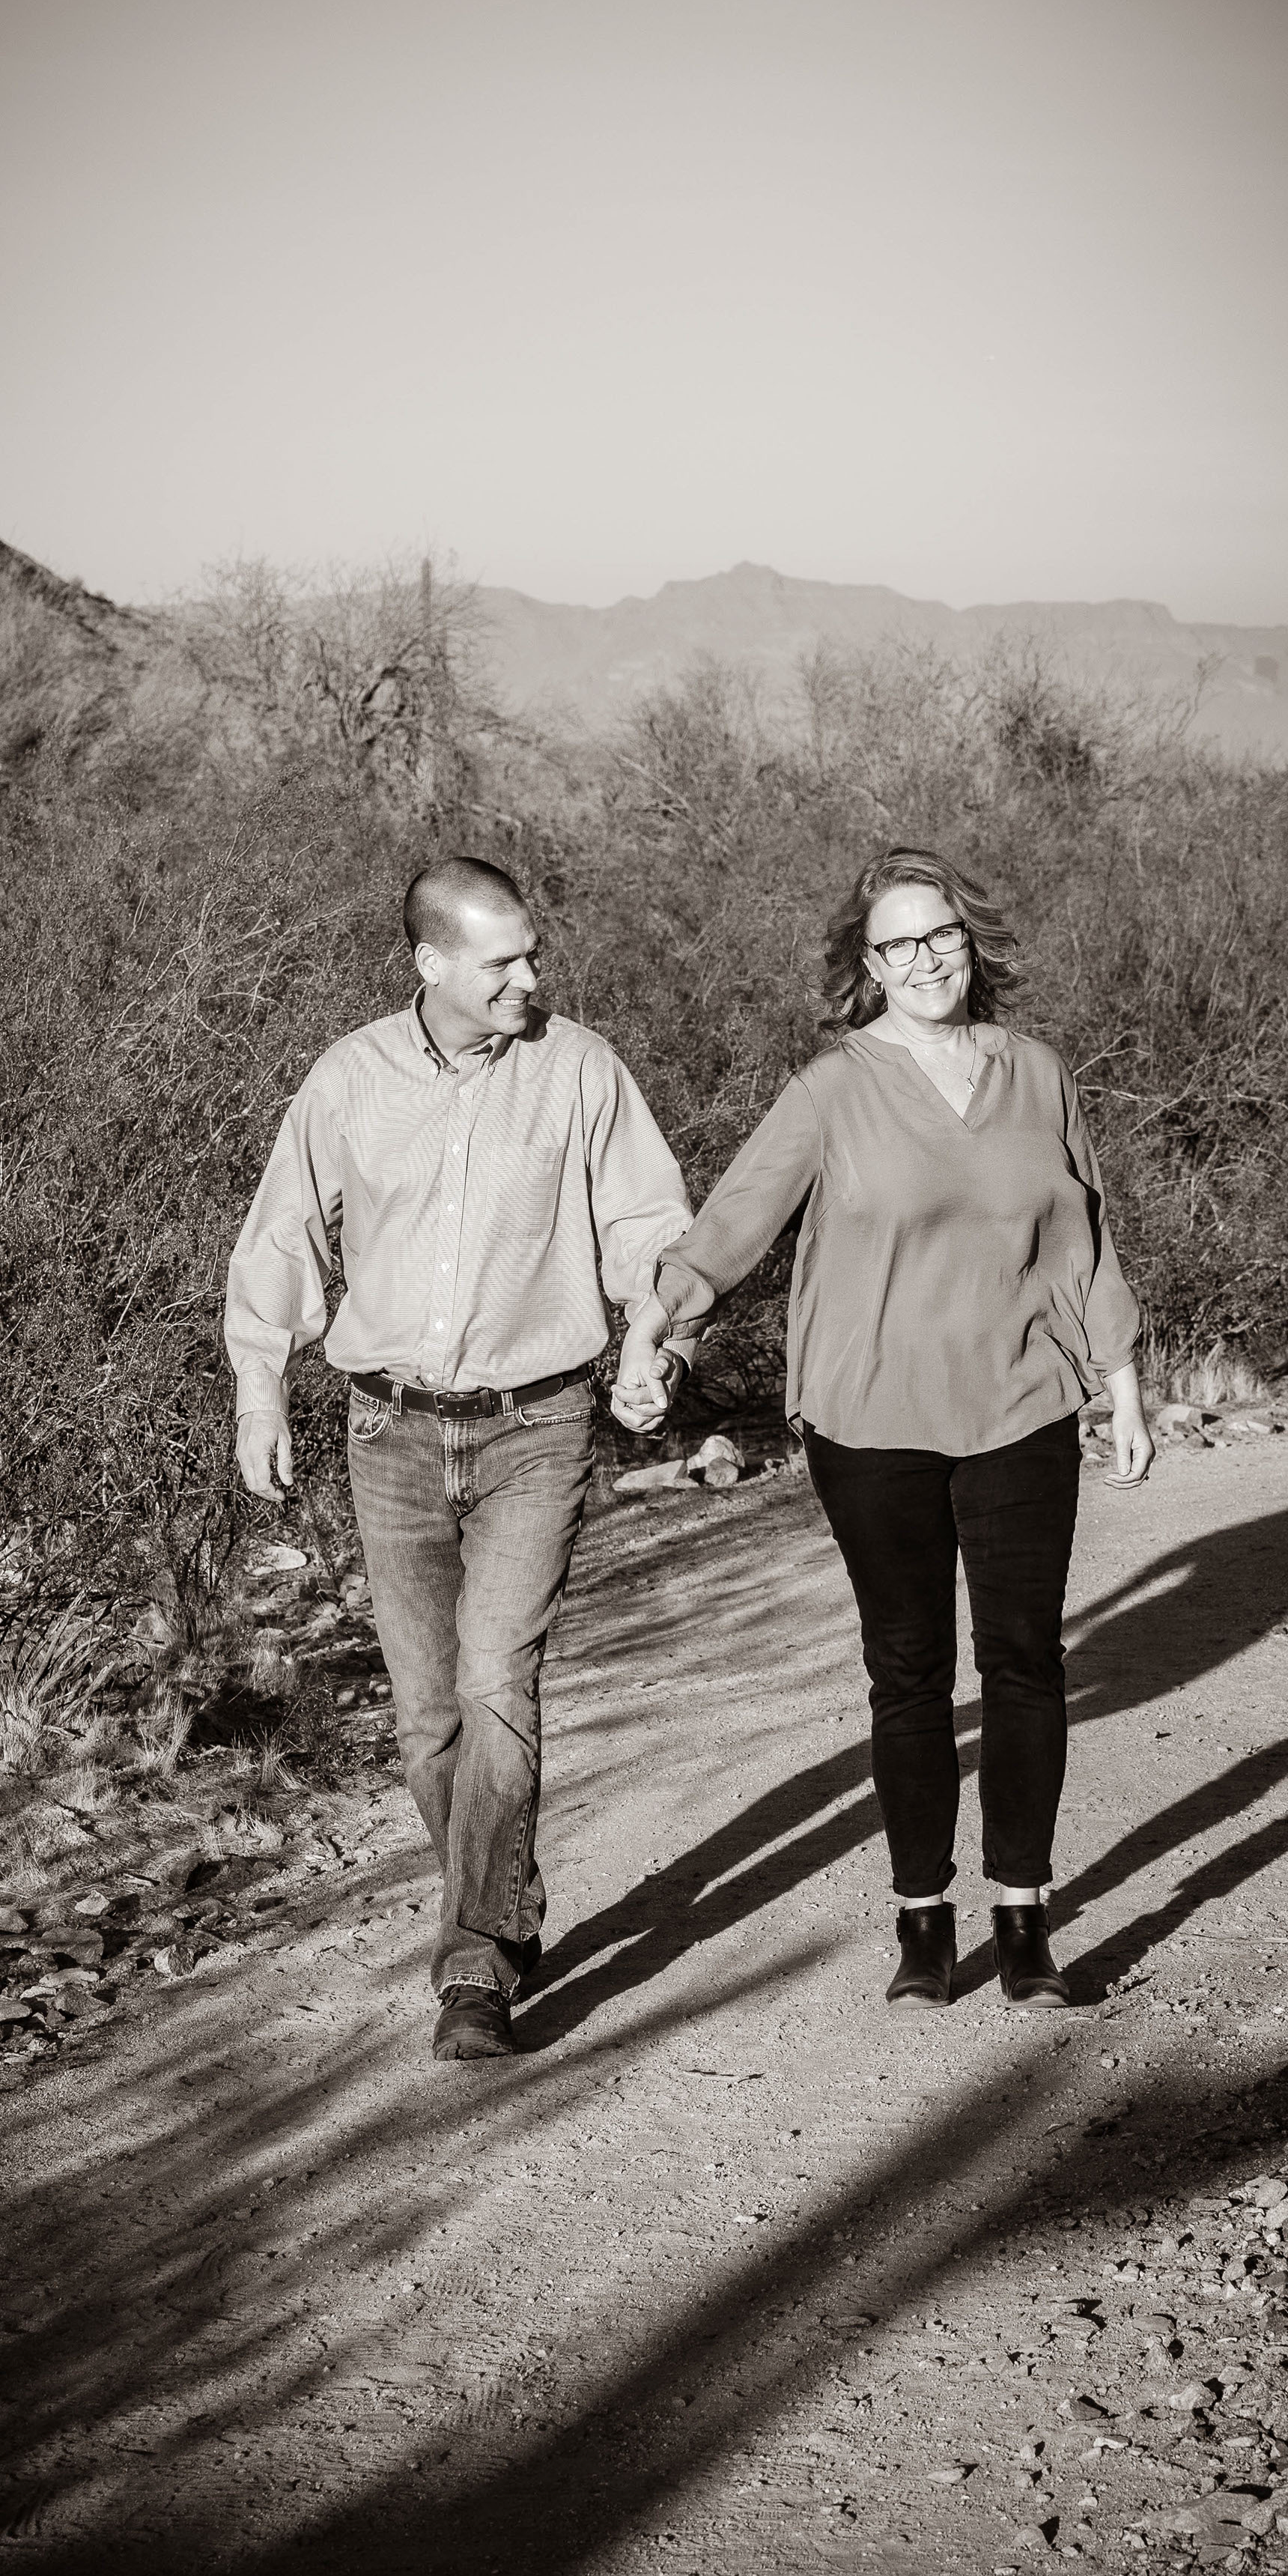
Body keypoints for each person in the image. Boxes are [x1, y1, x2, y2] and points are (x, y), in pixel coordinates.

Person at [618, 845, 1152, 2010]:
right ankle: (922, 1920)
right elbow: (734, 1223)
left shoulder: (1037, 1074)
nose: (925, 960)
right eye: (898, 944)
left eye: (941, 935)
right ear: (867, 965)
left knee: (1024, 1661)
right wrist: (654, 1327)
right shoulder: (832, 1089)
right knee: (909, 1671)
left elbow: (1084, 1234)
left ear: (972, 941)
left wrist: (1121, 1381)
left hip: (1021, 1402)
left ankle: (1024, 1916)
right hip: (871, 1420)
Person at [226, 857, 691, 2061]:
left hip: (538, 1424)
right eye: (502, 961)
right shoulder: (350, 1078)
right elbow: (284, 1233)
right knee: (428, 1718)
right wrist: (259, 1385)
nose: (529, 977)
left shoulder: (579, 1068)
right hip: (387, 1432)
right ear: (431, 963)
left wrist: (657, 1338)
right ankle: (502, 1904)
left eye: (532, 954)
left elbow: (649, 1224)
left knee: (494, 1683)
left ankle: (476, 1965)